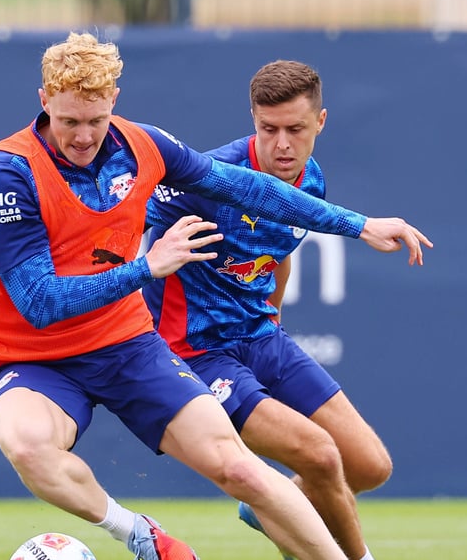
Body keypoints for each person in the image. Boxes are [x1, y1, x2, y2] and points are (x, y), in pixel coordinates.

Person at [0, 32, 429, 560]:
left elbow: (250, 188)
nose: (83, 137)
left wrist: (359, 226)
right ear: (43, 102)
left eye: (96, 120)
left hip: (126, 342)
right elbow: (40, 302)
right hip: (38, 354)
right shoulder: (5, 172)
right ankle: (139, 535)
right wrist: (147, 267)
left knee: (246, 470)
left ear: (114, 104)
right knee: (27, 445)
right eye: (68, 121)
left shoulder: (143, 145)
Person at [144, 60, 432, 560]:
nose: (282, 144)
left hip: (260, 338)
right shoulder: (208, 179)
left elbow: (277, 256)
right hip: (195, 354)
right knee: (320, 455)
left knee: (368, 466)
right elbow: (121, 224)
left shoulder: (311, 180)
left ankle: (277, 507)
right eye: (268, 128)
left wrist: (270, 319)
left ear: (320, 122)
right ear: (251, 119)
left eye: (295, 129)